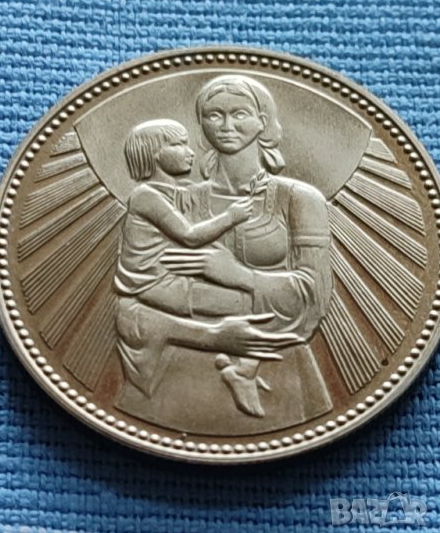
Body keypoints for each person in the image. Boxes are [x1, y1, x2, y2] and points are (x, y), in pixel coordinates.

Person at [115, 75, 333, 435]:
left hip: (279, 370)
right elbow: (131, 302)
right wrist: (212, 336)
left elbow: (315, 296)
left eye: (239, 114)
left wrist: (238, 275)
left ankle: (244, 371)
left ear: (263, 122)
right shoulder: (178, 201)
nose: (226, 125)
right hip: (173, 373)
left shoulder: (298, 199)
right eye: (214, 115)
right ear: (201, 125)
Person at [115, 118, 300, 400]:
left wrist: (251, 192)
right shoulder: (144, 196)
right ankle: (243, 371)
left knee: (256, 297)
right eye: (178, 145)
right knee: (249, 301)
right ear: (155, 154)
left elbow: (201, 208)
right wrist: (231, 217)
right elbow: (189, 236)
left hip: (175, 279)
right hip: (155, 285)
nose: (190, 152)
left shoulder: (175, 192)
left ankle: (241, 368)